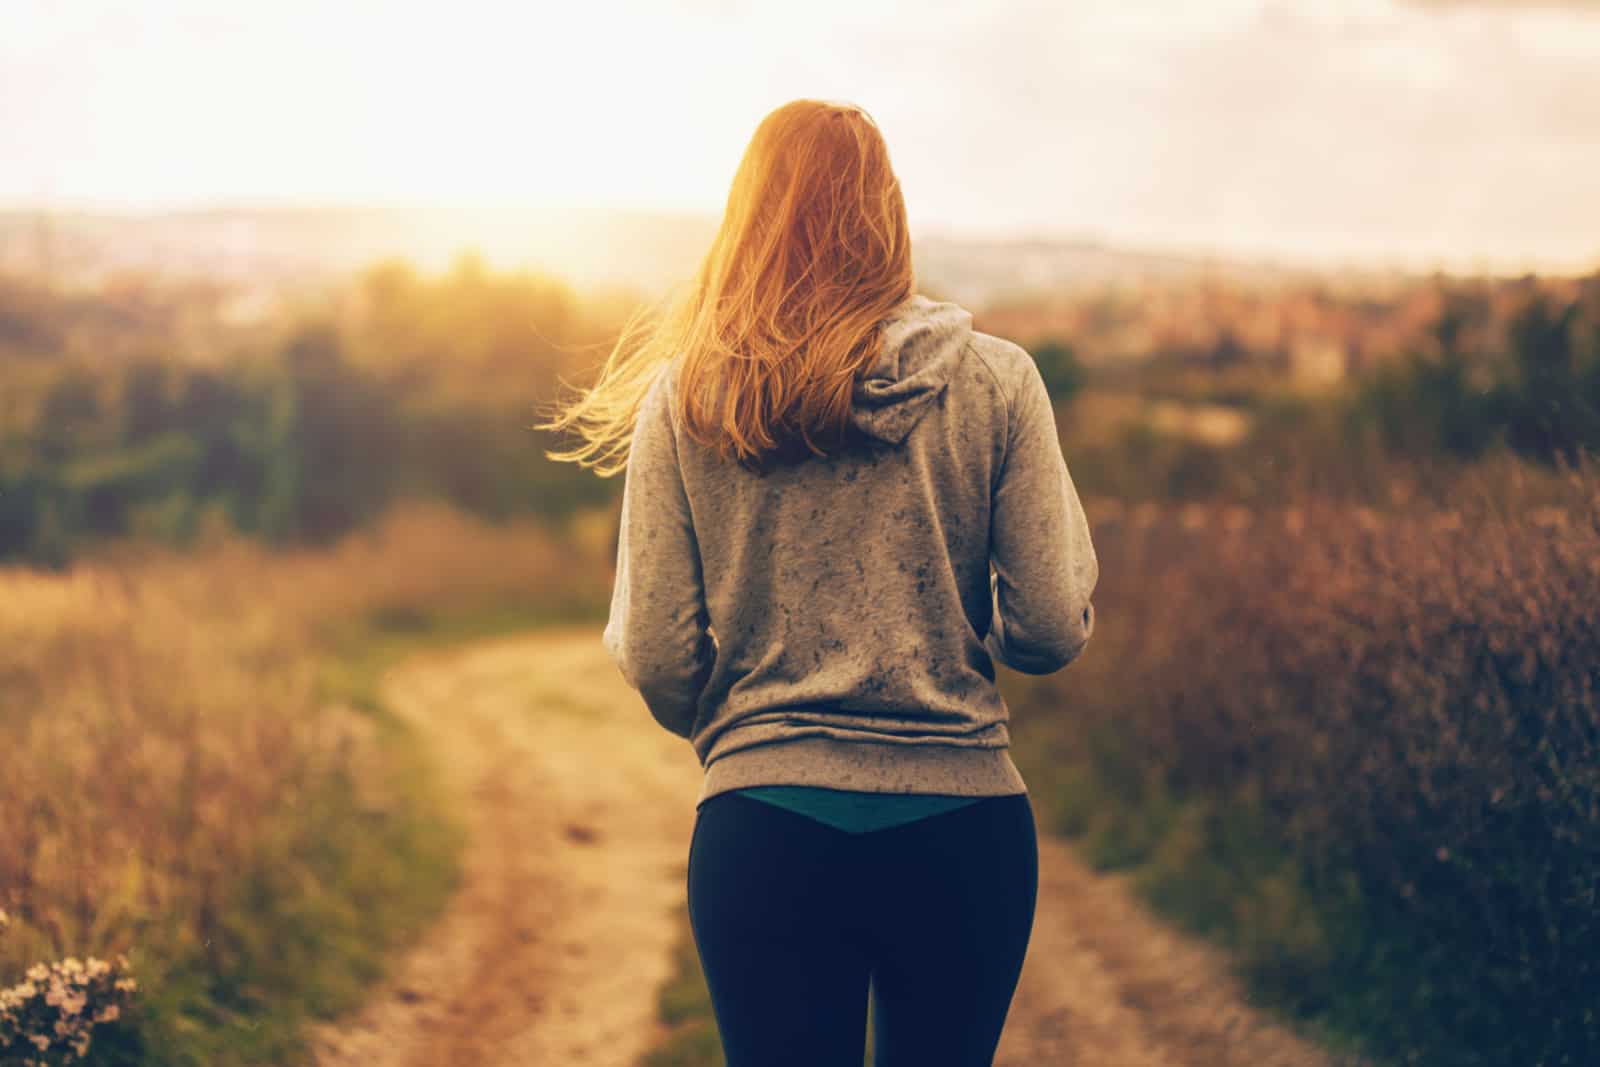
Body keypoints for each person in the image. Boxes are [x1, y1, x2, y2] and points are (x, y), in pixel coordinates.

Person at [539, 98, 1098, 1067]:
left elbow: (660, 650)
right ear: (886, 215)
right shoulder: (999, 381)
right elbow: (1048, 623)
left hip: (765, 833)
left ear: (747, 216)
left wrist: (748, 731)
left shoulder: (689, 394)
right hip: (963, 832)